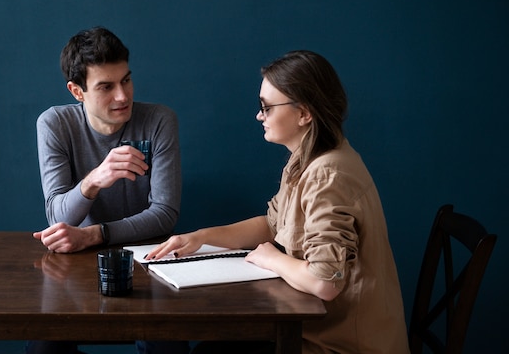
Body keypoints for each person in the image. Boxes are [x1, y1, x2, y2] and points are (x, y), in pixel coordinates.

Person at [146, 50, 410, 354]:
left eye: (267, 107)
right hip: (318, 333)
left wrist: (271, 259)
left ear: (304, 113)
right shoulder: (307, 160)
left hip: (341, 346)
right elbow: (271, 224)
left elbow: (326, 281)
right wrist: (199, 238)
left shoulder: (328, 175)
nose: (260, 115)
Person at [29, 26, 190, 354]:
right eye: (106, 86)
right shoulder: (55, 124)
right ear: (77, 91)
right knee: (42, 347)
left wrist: (94, 234)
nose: (122, 95)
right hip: (78, 262)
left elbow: (165, 216)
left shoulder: (159, 120)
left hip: (150, 259)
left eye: (126, 80)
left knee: (167, 344)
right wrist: (93, 180)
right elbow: (58, 214)